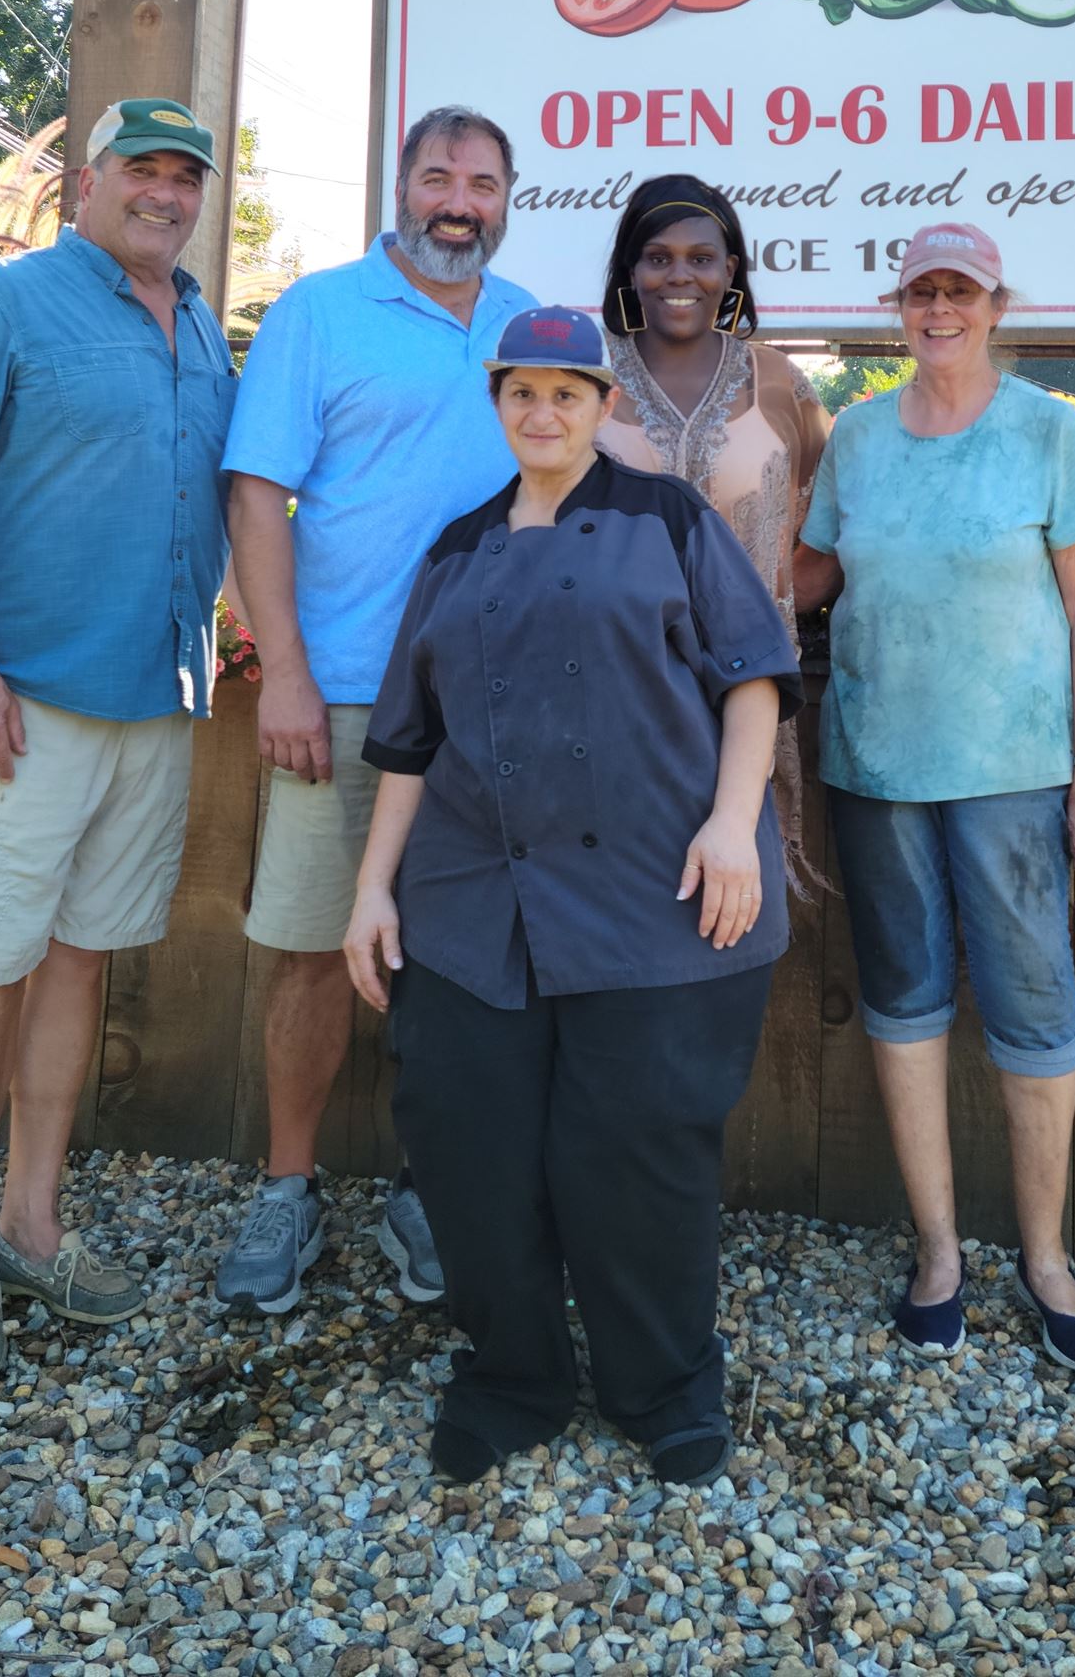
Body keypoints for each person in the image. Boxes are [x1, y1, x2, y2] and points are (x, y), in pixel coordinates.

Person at [343, 307, 800, 1488]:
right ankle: (513, 1375)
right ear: (497, 405)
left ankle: (663, 1385)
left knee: (638, 1153)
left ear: (606, 407)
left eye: (567, 392)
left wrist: (731, 820)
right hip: (472, 904)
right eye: (521, 393)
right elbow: (406, 742)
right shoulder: (455, 548)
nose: (543, 413)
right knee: (466, 1143)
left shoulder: (671, 520)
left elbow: (754, 680)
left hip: (654, 890)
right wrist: (370, 893)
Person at [0, 98, 235, 1383]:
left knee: (81, 964)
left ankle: (36, 1219)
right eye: (141, 168)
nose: (163, 191)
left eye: (183, 174)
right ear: (87, 180)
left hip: (155, 699)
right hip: (19, 701)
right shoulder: (5, 303)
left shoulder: (201, 322)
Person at [214, 105, 535, 1315]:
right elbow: (257, 499)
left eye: (484, 182)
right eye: (439, 176)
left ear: (509, 200)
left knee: (462, 959)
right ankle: (289, 1191)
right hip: (345, 687)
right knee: (308, 947)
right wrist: (282, 667)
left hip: (490, 703)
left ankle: (426, 1188)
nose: (460, 199)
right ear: (401, 187)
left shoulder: (527, 326)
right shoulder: (318, 314)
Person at [792, 223, 1075, 1370]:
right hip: (874, 768)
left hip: (1017, 777)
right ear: (898, 306)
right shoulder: (860, 436)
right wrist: (686, 559)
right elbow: (813, 573)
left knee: (1035, 1008)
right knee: (905, 999)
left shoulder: (1048, 428)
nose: (940, 308)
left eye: (960, 291)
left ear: (994, 304)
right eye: (921, 291)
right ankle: (938, 1252)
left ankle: (1045, 1256)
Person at [597, 175, 830, 637]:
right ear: (630, 271)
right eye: (658, 258)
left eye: (701, 259)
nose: (680, 275)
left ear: (729, 270)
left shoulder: (780, 382)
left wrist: (775, 609)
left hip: (752, 689)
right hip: (613, 684)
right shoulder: (587, 375)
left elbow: (826, 528)